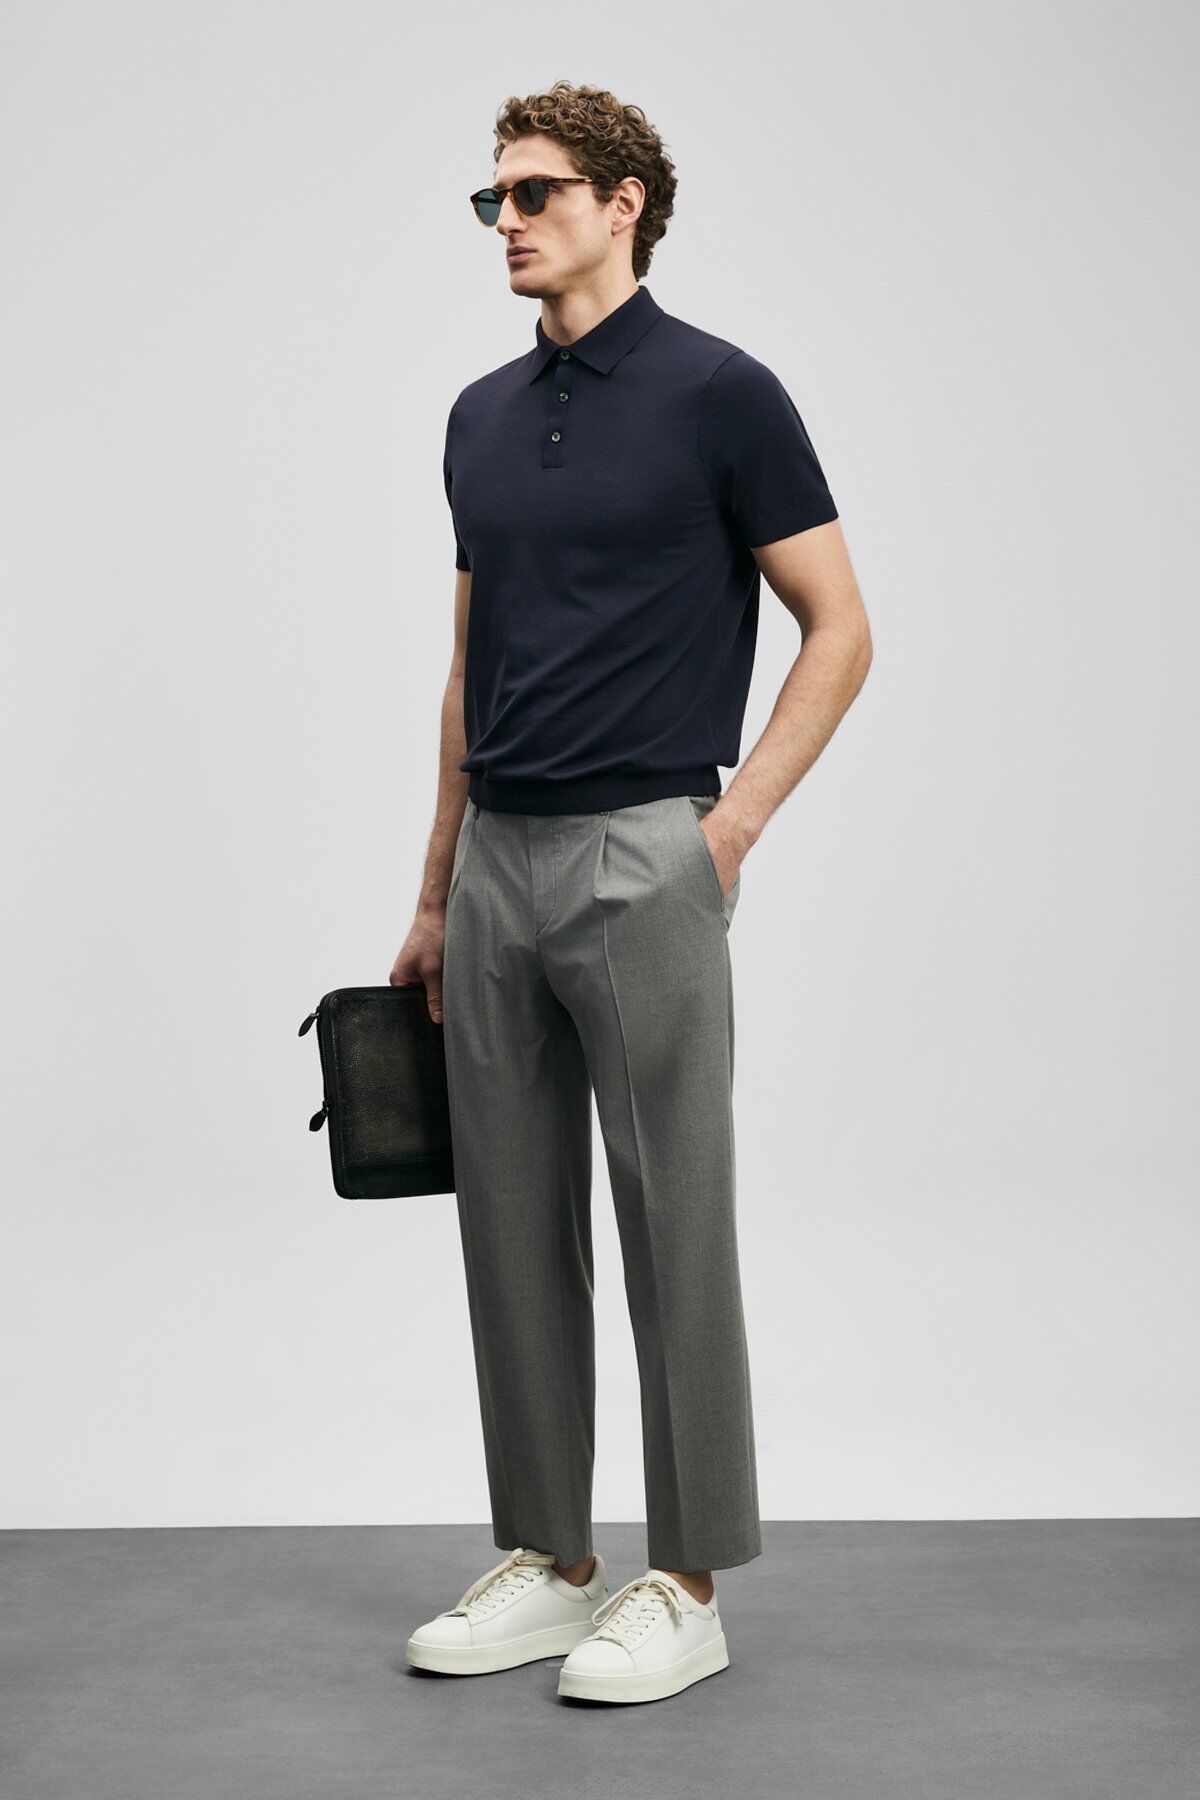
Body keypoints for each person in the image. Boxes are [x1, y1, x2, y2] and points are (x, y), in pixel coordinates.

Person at [390, 80, 871, 1705]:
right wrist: (435, 889)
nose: (507, 220)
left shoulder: (723, 395)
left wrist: (726, 832)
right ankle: (551, 1558)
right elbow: (469, 669)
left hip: (643, 851)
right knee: (510, 1222)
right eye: (495, 198)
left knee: (674, 1219)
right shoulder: (476, 416)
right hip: (501, 861)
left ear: (623, 206)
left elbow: (841, 626)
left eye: (535, 192)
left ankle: (688, 1580)